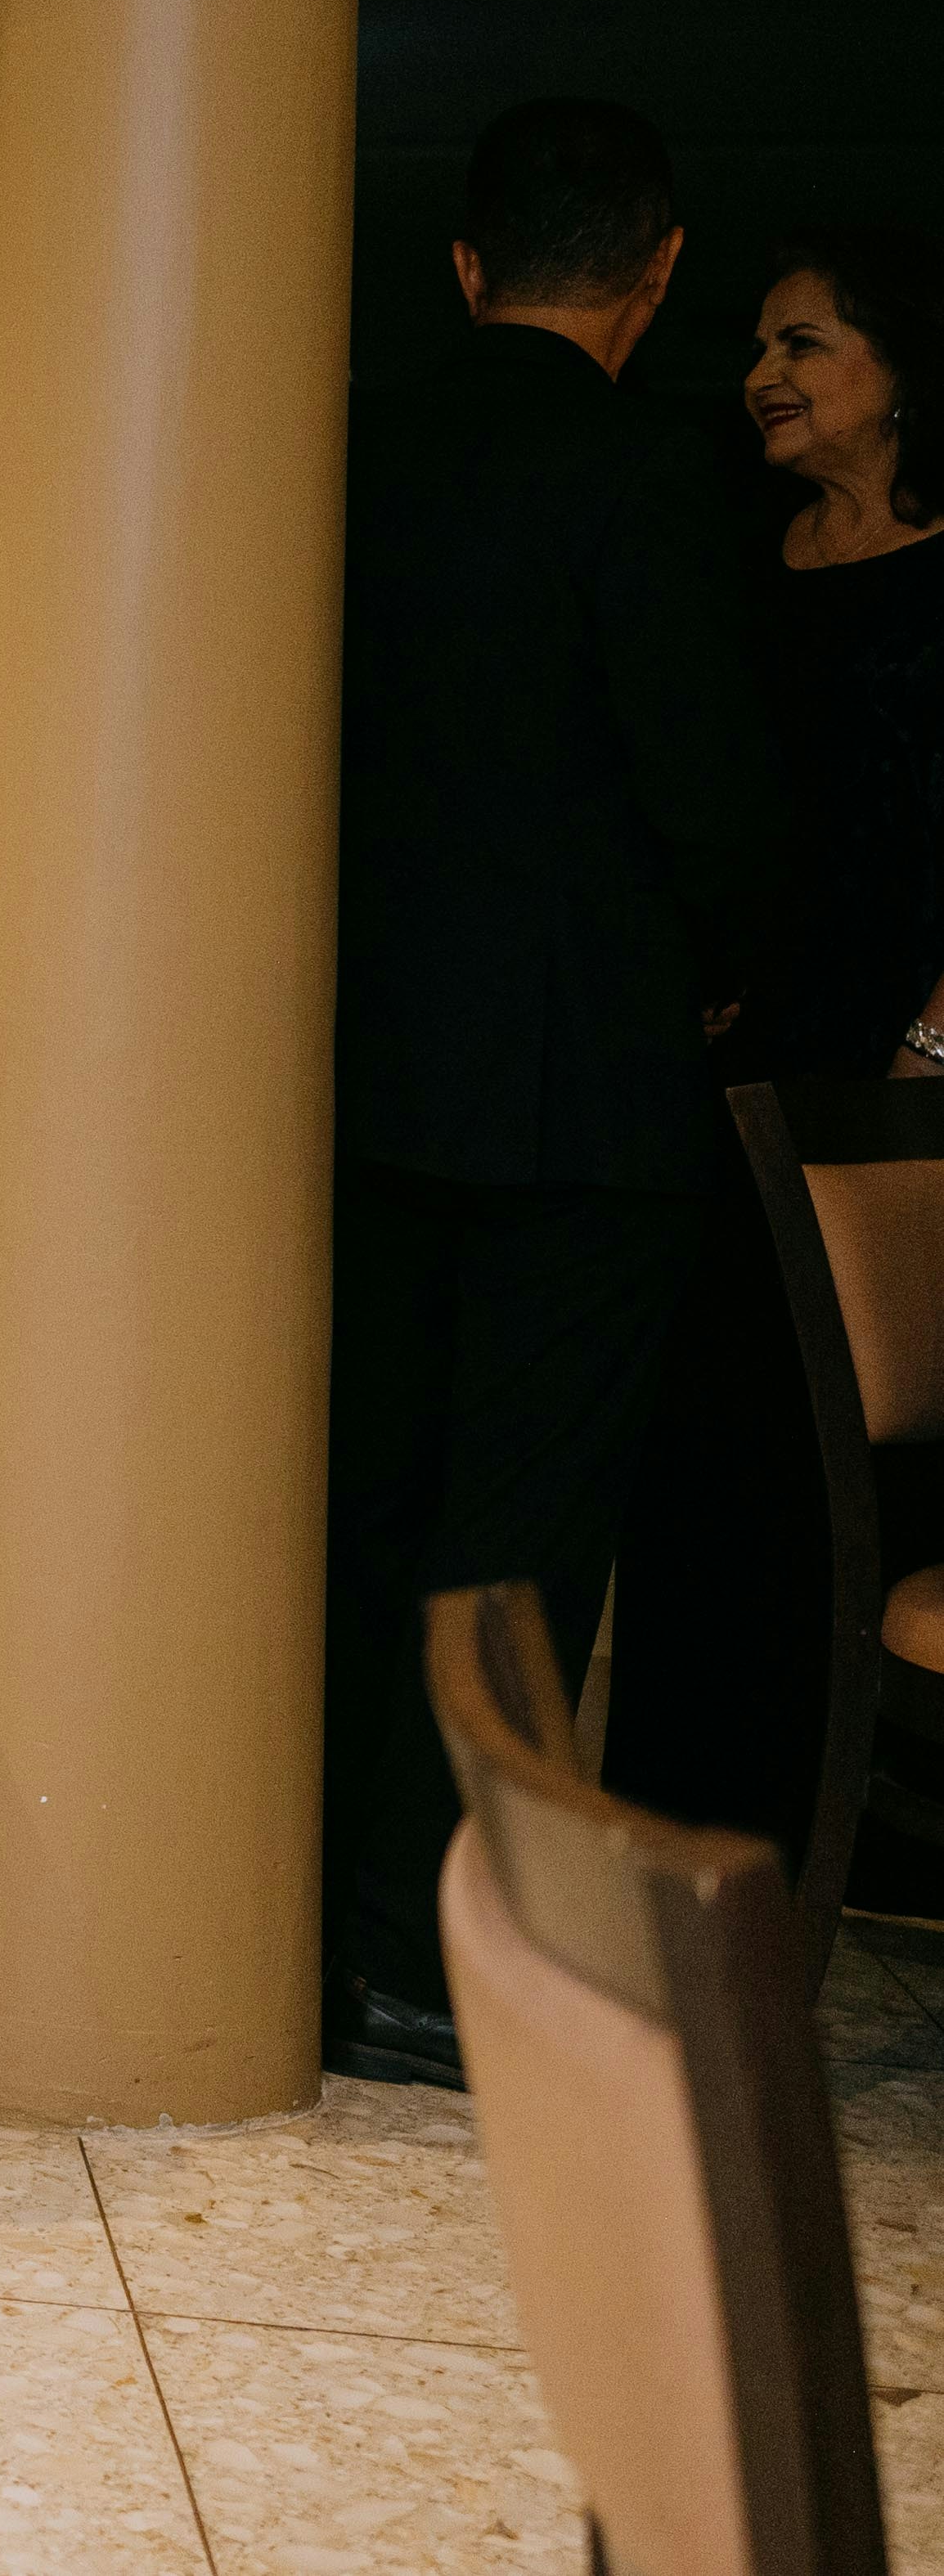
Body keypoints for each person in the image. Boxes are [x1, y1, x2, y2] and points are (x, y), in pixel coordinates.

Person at [324, 97, 778, 2086]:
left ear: (461, 264)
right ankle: (448, 1961)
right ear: (657, 274)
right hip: (582, 1094)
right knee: (514, 1554)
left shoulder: (353, 447)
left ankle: (332, 1930)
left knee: (364, 1512)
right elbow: (704, 797)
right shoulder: (646, 473)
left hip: (359, 1073)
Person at [606, 223, 944, 1874]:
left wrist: (925, 1053)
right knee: (698, 1447)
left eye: (802, 343)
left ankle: (828, 1845)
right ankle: (680, 1831)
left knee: (840, 1456)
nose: (761, 375)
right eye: (754, 343)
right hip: (721, 1071)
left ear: (900, 371)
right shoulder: (741, 555)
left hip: (892, 1089)